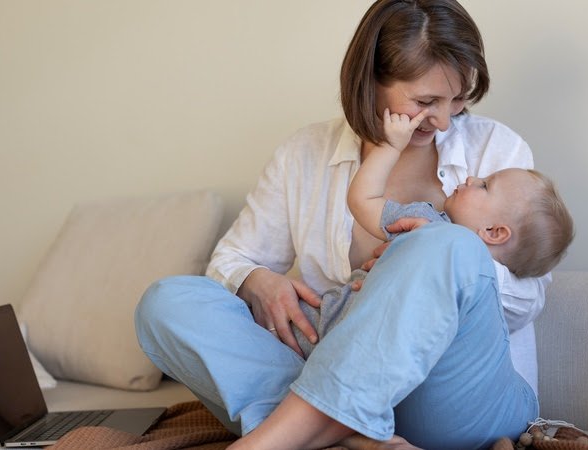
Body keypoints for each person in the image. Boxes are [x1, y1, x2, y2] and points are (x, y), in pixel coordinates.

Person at [135, 0, 558, 448]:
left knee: (448, 245)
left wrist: (429, 268)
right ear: (370, 82)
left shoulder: (496, 150)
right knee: (166, 303)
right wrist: (256, 281)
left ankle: (291, 434)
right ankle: (348, 434)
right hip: (327, 362)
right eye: (425, 101)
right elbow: (230, 261)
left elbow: (528, 299)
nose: (443, 119)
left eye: (457, 99)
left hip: (454, 400)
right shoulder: (303, 153)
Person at [292, 108, 573, 358]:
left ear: (494, 232)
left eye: (485, 185)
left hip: (351, 340)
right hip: (330, 328)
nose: (472, 177)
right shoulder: (424, 221)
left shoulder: (434, 234)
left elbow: (363, 199)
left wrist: (390, 147)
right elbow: (362, 202)